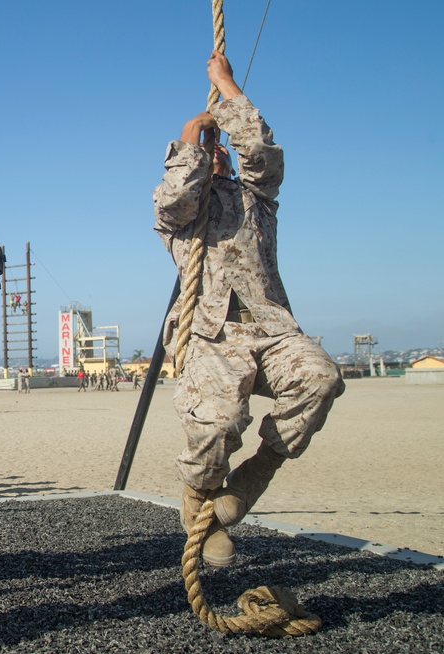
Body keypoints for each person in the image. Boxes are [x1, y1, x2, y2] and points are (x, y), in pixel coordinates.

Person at [153, 51, 344, 567]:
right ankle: (199, 505)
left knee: (320, 378)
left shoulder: (256, 197)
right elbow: (173, 201)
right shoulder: (179, 212)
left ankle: (258, 472)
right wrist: (191, 137)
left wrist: (226, 87)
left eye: (220, 150)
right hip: (210, 334)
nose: (217, 153)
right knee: (217, 424)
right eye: (207, 150)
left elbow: (261, 152)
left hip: (270, 327)